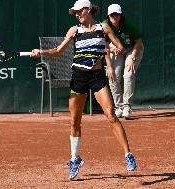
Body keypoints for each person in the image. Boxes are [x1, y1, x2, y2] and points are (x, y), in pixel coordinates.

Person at [30, 0, 137, 181]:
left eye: (79, 11)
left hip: (97, 77)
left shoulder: (103, 27)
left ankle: (128, 155)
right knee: (74, 121)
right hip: (78, 77)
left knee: (111, 114)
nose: (77, 15)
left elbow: (119, 46)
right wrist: (40, 52)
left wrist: (114, 49)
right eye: (75, 13)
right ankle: (75, 159)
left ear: (88, 10)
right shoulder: (74, 31)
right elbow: (58, 51)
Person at [104, 4, 144, 119]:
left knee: (129, 74)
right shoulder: (105, 26)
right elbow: (105, 46)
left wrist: (132, 58)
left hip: (133, 49)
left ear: (120, 15)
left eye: (117, 14)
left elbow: (138, 43)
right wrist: (109, 66)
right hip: (116, 49)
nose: (115, 17)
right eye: (112, 15)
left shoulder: (129, 25)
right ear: (108, 16)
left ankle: (127, 107)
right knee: (113, 76)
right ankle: (119, 107)